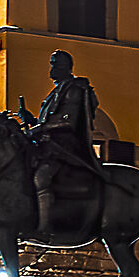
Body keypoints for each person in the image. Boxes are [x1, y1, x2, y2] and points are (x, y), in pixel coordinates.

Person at [15, 50, 103, 235]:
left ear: (65, 67)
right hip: (49, 142)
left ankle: (44, 228)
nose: (52, 68)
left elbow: (67, 120)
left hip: (64, 145)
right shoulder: (57, 91)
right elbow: (48, 121)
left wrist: (36, 129)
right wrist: (31, 120)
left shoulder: (73, 89)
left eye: (55, 64)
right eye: (52, 63)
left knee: (42, 177)